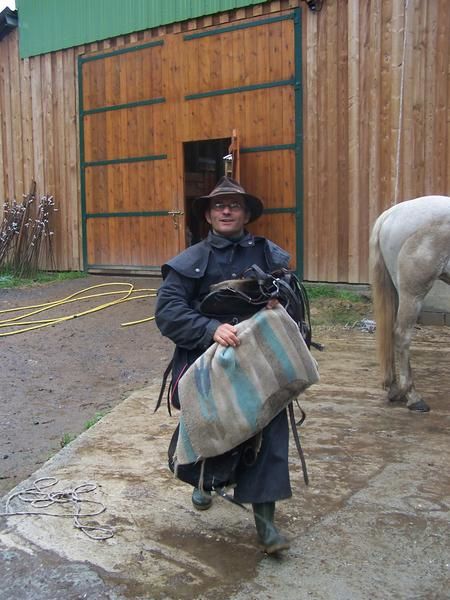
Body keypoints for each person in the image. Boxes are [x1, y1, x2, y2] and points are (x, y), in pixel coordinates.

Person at [155, 176, 293, 554]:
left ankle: (266, 526)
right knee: (210, 432)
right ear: (209, 215)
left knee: (269, 437)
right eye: (219, 206)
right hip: (208, 361)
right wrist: (211, 329)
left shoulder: (270, 256)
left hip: (262, 363)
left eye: (234, 205)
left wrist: (279, 305)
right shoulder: (192, 261)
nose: (227, 210)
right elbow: (168, 312)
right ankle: (202, 482)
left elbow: (296, 303)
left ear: (246, 213)